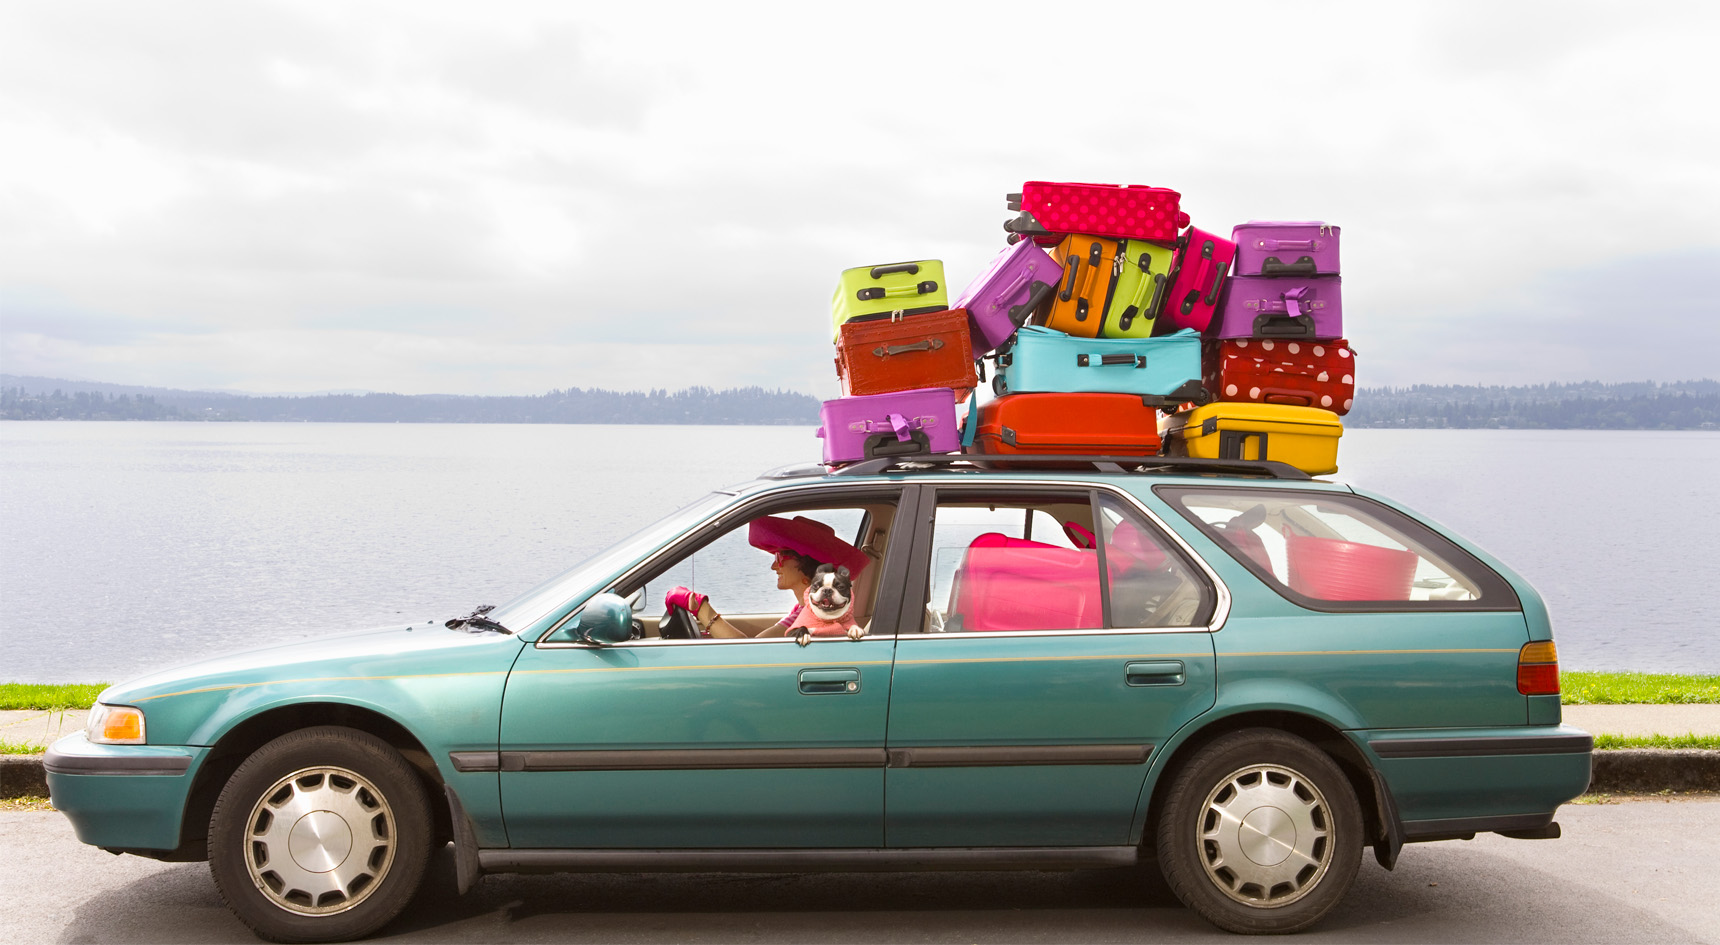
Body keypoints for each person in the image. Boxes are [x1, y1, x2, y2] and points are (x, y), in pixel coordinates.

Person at [663, 515, 869, 640]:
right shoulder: (804, 609)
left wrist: (699, 606)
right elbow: (763, 639)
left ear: (806, 569)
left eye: (780, 557)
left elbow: (748, 653)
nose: (773, 565)